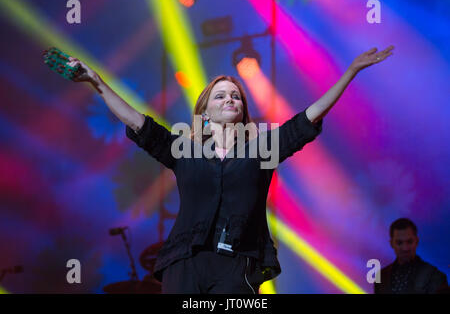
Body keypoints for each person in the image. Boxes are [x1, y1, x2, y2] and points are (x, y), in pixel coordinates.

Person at [62, 45, 394, 293]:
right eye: (220, 96)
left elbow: (307, 118)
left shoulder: (262, 148)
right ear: (204, 111)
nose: (230, 99)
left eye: (235, 96)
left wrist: (350, 72)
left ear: (243, 109)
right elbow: (139, 123)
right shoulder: (184, 149)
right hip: (185, 263)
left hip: (238, 264)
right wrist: (97, 82)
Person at [374, 218, 448, 294]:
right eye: (399, 243)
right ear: (391, 243)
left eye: (409, 242)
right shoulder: (381, 276)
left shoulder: (434, 276)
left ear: (416, 241)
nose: (405, 248)